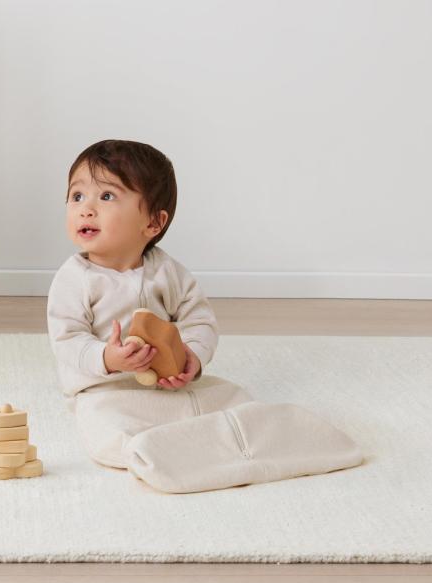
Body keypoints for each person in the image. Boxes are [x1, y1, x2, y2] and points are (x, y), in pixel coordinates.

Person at [47, 139, 364, 494]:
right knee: (108, 432)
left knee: (234, 397)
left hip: (170, 387)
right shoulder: (74, 279)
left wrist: (192, 357)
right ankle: (169, 450)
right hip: (107, 391)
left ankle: (237, 437)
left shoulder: (167, 271)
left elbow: (199, 320)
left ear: (152, 222)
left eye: (106, 196)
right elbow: (68, 340)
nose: (86, 209)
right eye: (77, 196)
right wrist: (108, 357)